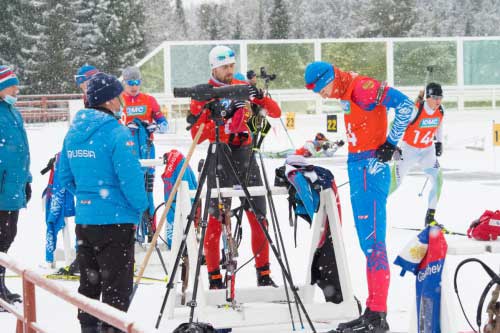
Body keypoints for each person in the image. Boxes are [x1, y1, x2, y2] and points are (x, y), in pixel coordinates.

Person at [304, 61, 414, 332]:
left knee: (374, 243)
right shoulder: (345, 91)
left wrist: (390, 144)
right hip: (358, 166)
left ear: (330, 77)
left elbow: (406, 105)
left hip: (370, 168)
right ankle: (372, 311)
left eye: (322, 89)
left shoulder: (362, 87)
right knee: (368, 244)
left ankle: (377, 315)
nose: (323, 95)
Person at [58, 72, 148, 333]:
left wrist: (88, 196)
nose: (122, 101)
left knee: (89, 284)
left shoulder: (73, 134)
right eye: (118, 96)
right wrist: (140, 206)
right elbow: (131, 181)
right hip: (116, 223)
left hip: (86, 222)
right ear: (109, 100)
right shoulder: (117, 133)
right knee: (116, 290)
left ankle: (88, 329)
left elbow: (65, 177)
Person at [189, 45, 282, 289]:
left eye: (231, 65)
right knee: (216, 219)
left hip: (246, 155)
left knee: (259, 217)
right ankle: (214, 278)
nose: (229, 71)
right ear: (213, 68)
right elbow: (196, 136)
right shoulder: (205, 92)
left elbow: (275, 112)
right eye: (224, 67)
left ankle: (263, 275)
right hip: (221, 155)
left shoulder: (242, 85)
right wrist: (219, 119)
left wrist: (259, 96)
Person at [390, 83, 444, 227]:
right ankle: (371, 213)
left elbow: (439, 125)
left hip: (427, 151)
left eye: (440, 97)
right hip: (409, 150)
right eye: (434, 97)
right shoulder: (415, 110)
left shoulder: (441, 110)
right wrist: (393, 145)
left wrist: (439, 142)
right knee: (394, 184)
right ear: (427, 98)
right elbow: (394, 124)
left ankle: (430, 218)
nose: (438, 101)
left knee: (438, 180)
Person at [0, 66, 31, 306]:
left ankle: (0, 283)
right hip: (2, 188)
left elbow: (21, 151)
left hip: (13, 187)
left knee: (8, 236)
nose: (16, 89)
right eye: (12, 85)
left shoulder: (12, 112)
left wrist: (27, 179)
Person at [120, 66, 168, 132]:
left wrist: (160, 126)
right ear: (124, 83)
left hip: (145, 141)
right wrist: (124, 128)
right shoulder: (118, 101)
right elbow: (111, 125)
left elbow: (161, 120)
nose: (134, 86)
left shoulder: (149, 100)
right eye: (130, 83)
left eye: (137, 82)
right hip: (124, 141)